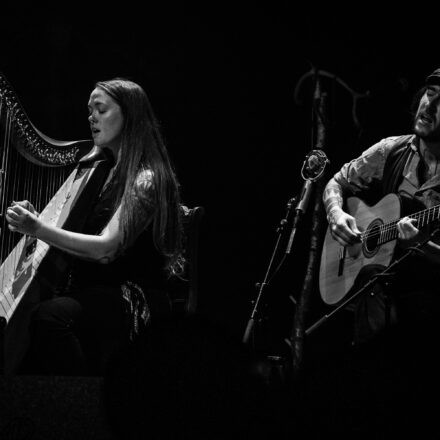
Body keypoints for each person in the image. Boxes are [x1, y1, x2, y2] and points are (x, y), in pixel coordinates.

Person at [6, 77, 183, 376]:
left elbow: (105, 250)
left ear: (130, 115)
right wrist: (41, 220)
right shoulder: (103, 171)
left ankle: (87, 405)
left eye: (101, 109)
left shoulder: (147, 179)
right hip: (98, 291)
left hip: (131, 296)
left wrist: (37, 229)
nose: (91, 117)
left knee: (49, 317)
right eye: (90, 110)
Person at [319, 67, 440, 435]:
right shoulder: (392, 149)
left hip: (426, 322)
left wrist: (423, 246)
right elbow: (336, 181)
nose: (429, 105)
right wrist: (336, 213)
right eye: (428, 93)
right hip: (372, 309)